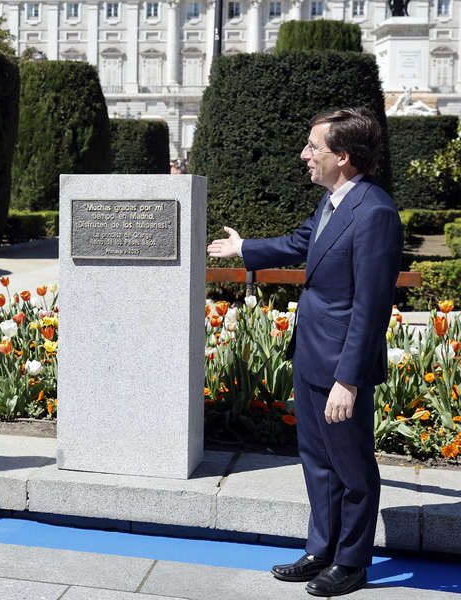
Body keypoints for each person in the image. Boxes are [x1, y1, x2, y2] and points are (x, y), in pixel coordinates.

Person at [207, 107, 402, 597]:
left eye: (313, 146)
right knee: (316, 461)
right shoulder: (334, 202)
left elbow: (370, 307)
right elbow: (300, 242)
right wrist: (245, 248)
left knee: (352, 468)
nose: (304, 154)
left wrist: (349, 379)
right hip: (311, 353)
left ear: (342, 155)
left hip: (341, 367)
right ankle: (321, 551)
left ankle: (352, 562)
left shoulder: (375, 212)